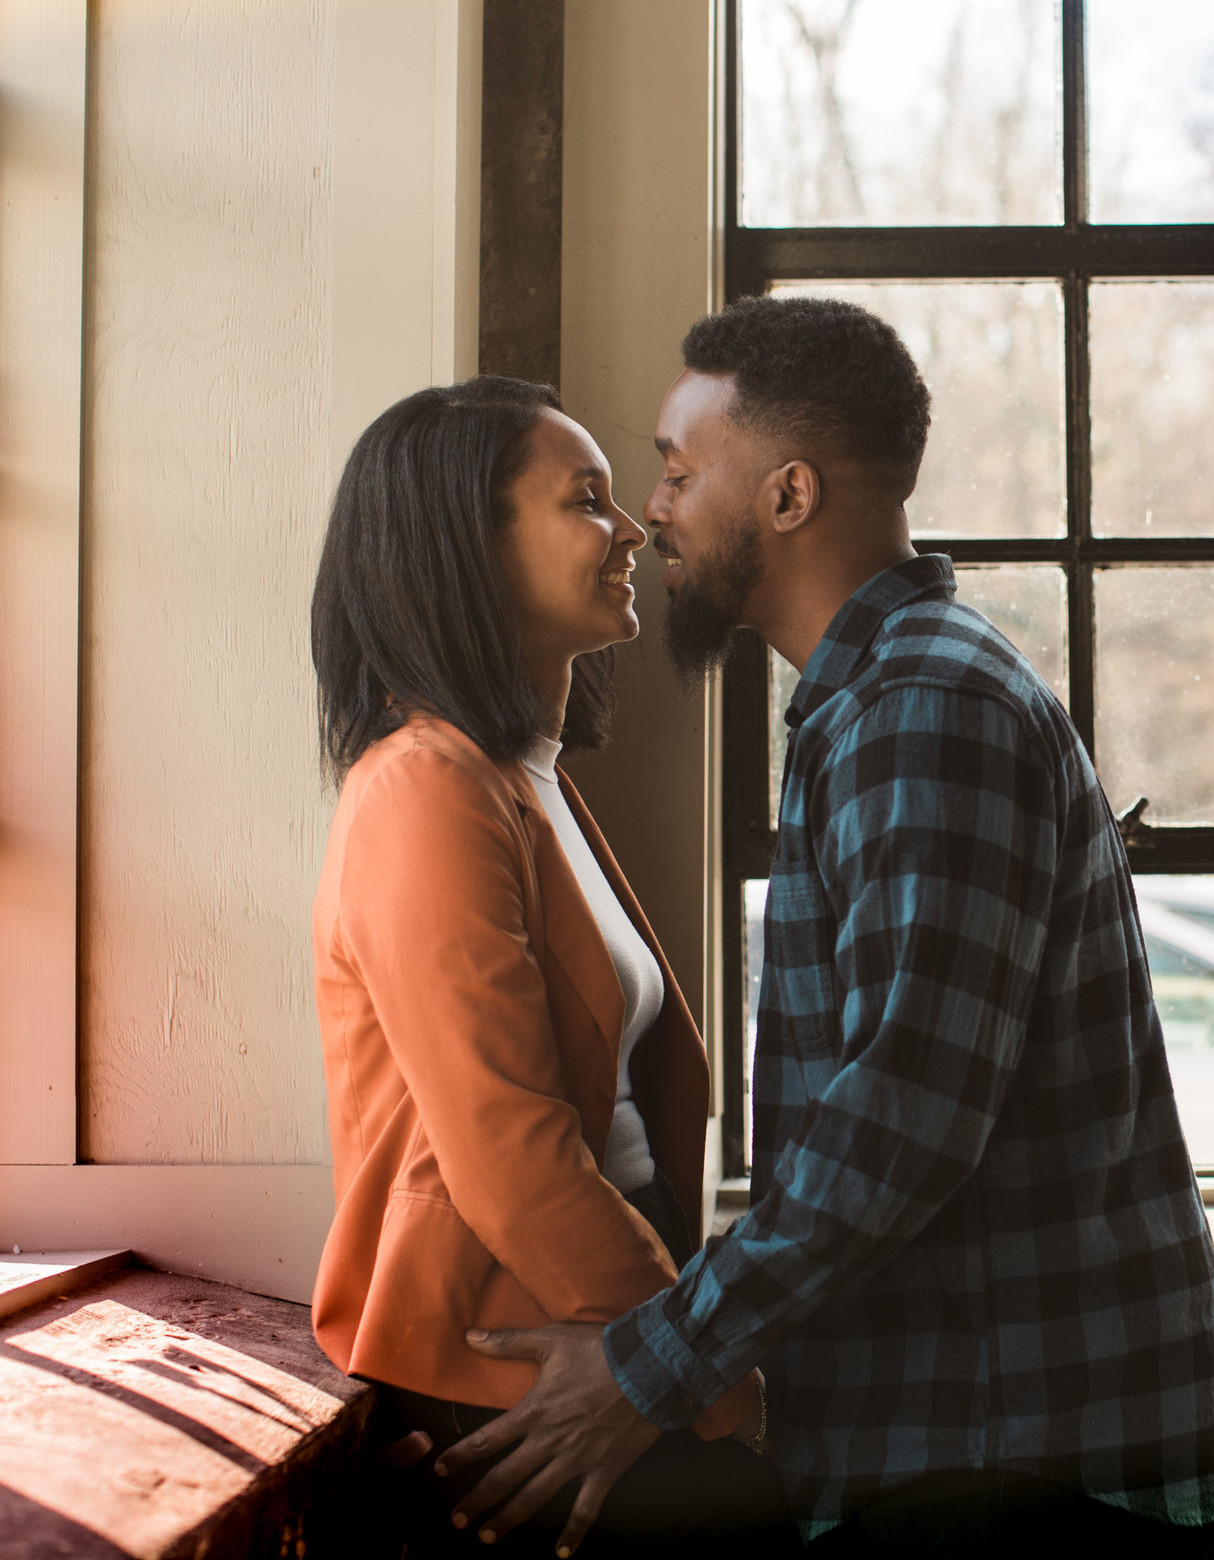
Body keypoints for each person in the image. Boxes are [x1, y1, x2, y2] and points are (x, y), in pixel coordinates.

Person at [428, 299, 1214, 1557]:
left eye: (680, 468)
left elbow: (903, 1120)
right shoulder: (879, 696)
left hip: (1012, 1455)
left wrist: (650, 1364)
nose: (656, 511)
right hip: (978, 1444)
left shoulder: (922, 706)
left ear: (790, 495)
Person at [306, 375, 797, 1557]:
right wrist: (711, 1378)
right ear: (462, 549)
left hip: (611, 1305)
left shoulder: (526, 775)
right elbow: (510, 1143)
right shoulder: (426, 787)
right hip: (520, 1350)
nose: (631, 528)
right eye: (587, 500)